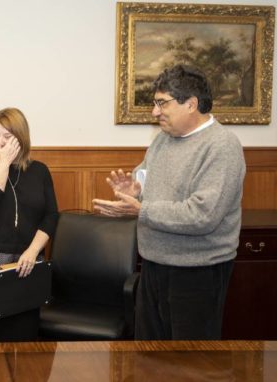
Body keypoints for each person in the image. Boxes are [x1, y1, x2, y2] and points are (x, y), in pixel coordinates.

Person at [93, 65, 246, 340]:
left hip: (197, 273)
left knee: (189, 364)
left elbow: (203, 215)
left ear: (191, 104)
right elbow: (146, 177)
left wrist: (142, 209)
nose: (154, 112)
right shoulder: (163, 140)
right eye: (155, 103)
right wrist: (134, 190)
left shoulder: (222, 146)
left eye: (162, 103)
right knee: (150, 358)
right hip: (154, 265)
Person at [0, 107, 58, 341]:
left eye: (7, 136)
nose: (0, 141)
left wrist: (33, 250)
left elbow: (50, 216)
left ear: (21, 137)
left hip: (26, 265)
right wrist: (3, 163)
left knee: (23, 336)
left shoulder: (39, 171)